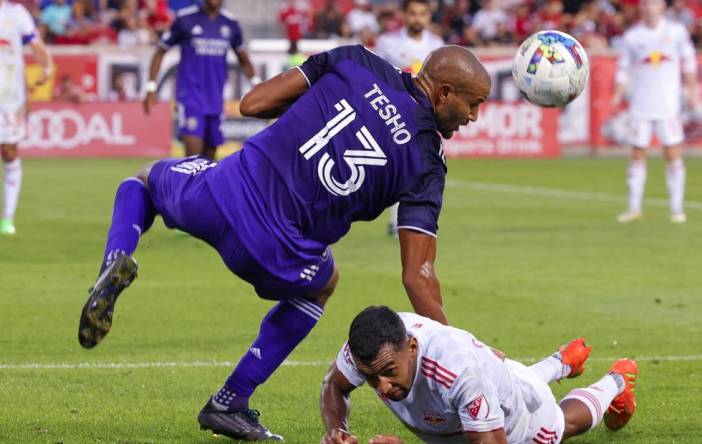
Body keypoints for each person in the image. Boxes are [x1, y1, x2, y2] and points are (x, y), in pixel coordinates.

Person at [77, 44, 491, 441]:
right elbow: (418, 275)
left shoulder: (356, 62)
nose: (473, 116)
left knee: (144, 182)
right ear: (443, 93)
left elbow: (253, 105)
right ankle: (230, 400)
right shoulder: (426, 161)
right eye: (472, 104)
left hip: (221, 193)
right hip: (275, 252)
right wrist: (464, 357)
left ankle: (116, 259)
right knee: (322, 284)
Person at [320, 306, 639, 444]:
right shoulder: (370, 346)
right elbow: (334, 385)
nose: (383, 388)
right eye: (371, 379)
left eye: (389, 373)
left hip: (516, 419)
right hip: (490, 379)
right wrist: (338, 431)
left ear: (412, 347)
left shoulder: (459, 373)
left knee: (561, 427)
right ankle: (561, 362)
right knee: (501, 380)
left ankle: (616, 381)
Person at [612, 0, 698, 224]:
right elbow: (624, 68)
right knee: (637, 154)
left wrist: (693, 90)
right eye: (646, 4)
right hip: (641, 105)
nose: (649, 8)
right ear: (641, 8)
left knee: (672, 154)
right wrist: (617, 92)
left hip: (668, 105)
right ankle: (634, 207)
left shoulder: (676, 32)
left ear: (662, 7)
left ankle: (677, 208)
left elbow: (689, 61)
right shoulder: (633, 36)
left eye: (654, 4)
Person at [142, 0, 258, 160]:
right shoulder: (185, 18)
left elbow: (244, 60)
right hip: (190, 98)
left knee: (209, 163)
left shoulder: (230, 23)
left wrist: (257, 84)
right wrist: (150, 87)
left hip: (215, 102)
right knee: (193, 161)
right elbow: (160, 51)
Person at [375, 0, 444, 238]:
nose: (418, 18)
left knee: (417, 170)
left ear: (428, 16)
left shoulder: (437, 45)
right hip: (391, 112)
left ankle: (405, 223)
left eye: (422, 14)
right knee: (393, 169)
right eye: (413, 13)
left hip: (424, 117)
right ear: (404, 15)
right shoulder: (387, 42)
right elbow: (376, 74)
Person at [0, 0, 52, 235]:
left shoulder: (16, 13)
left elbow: (36, 45)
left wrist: (46, 67)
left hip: (8, 96)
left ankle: (7, 217)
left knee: (9, 151)